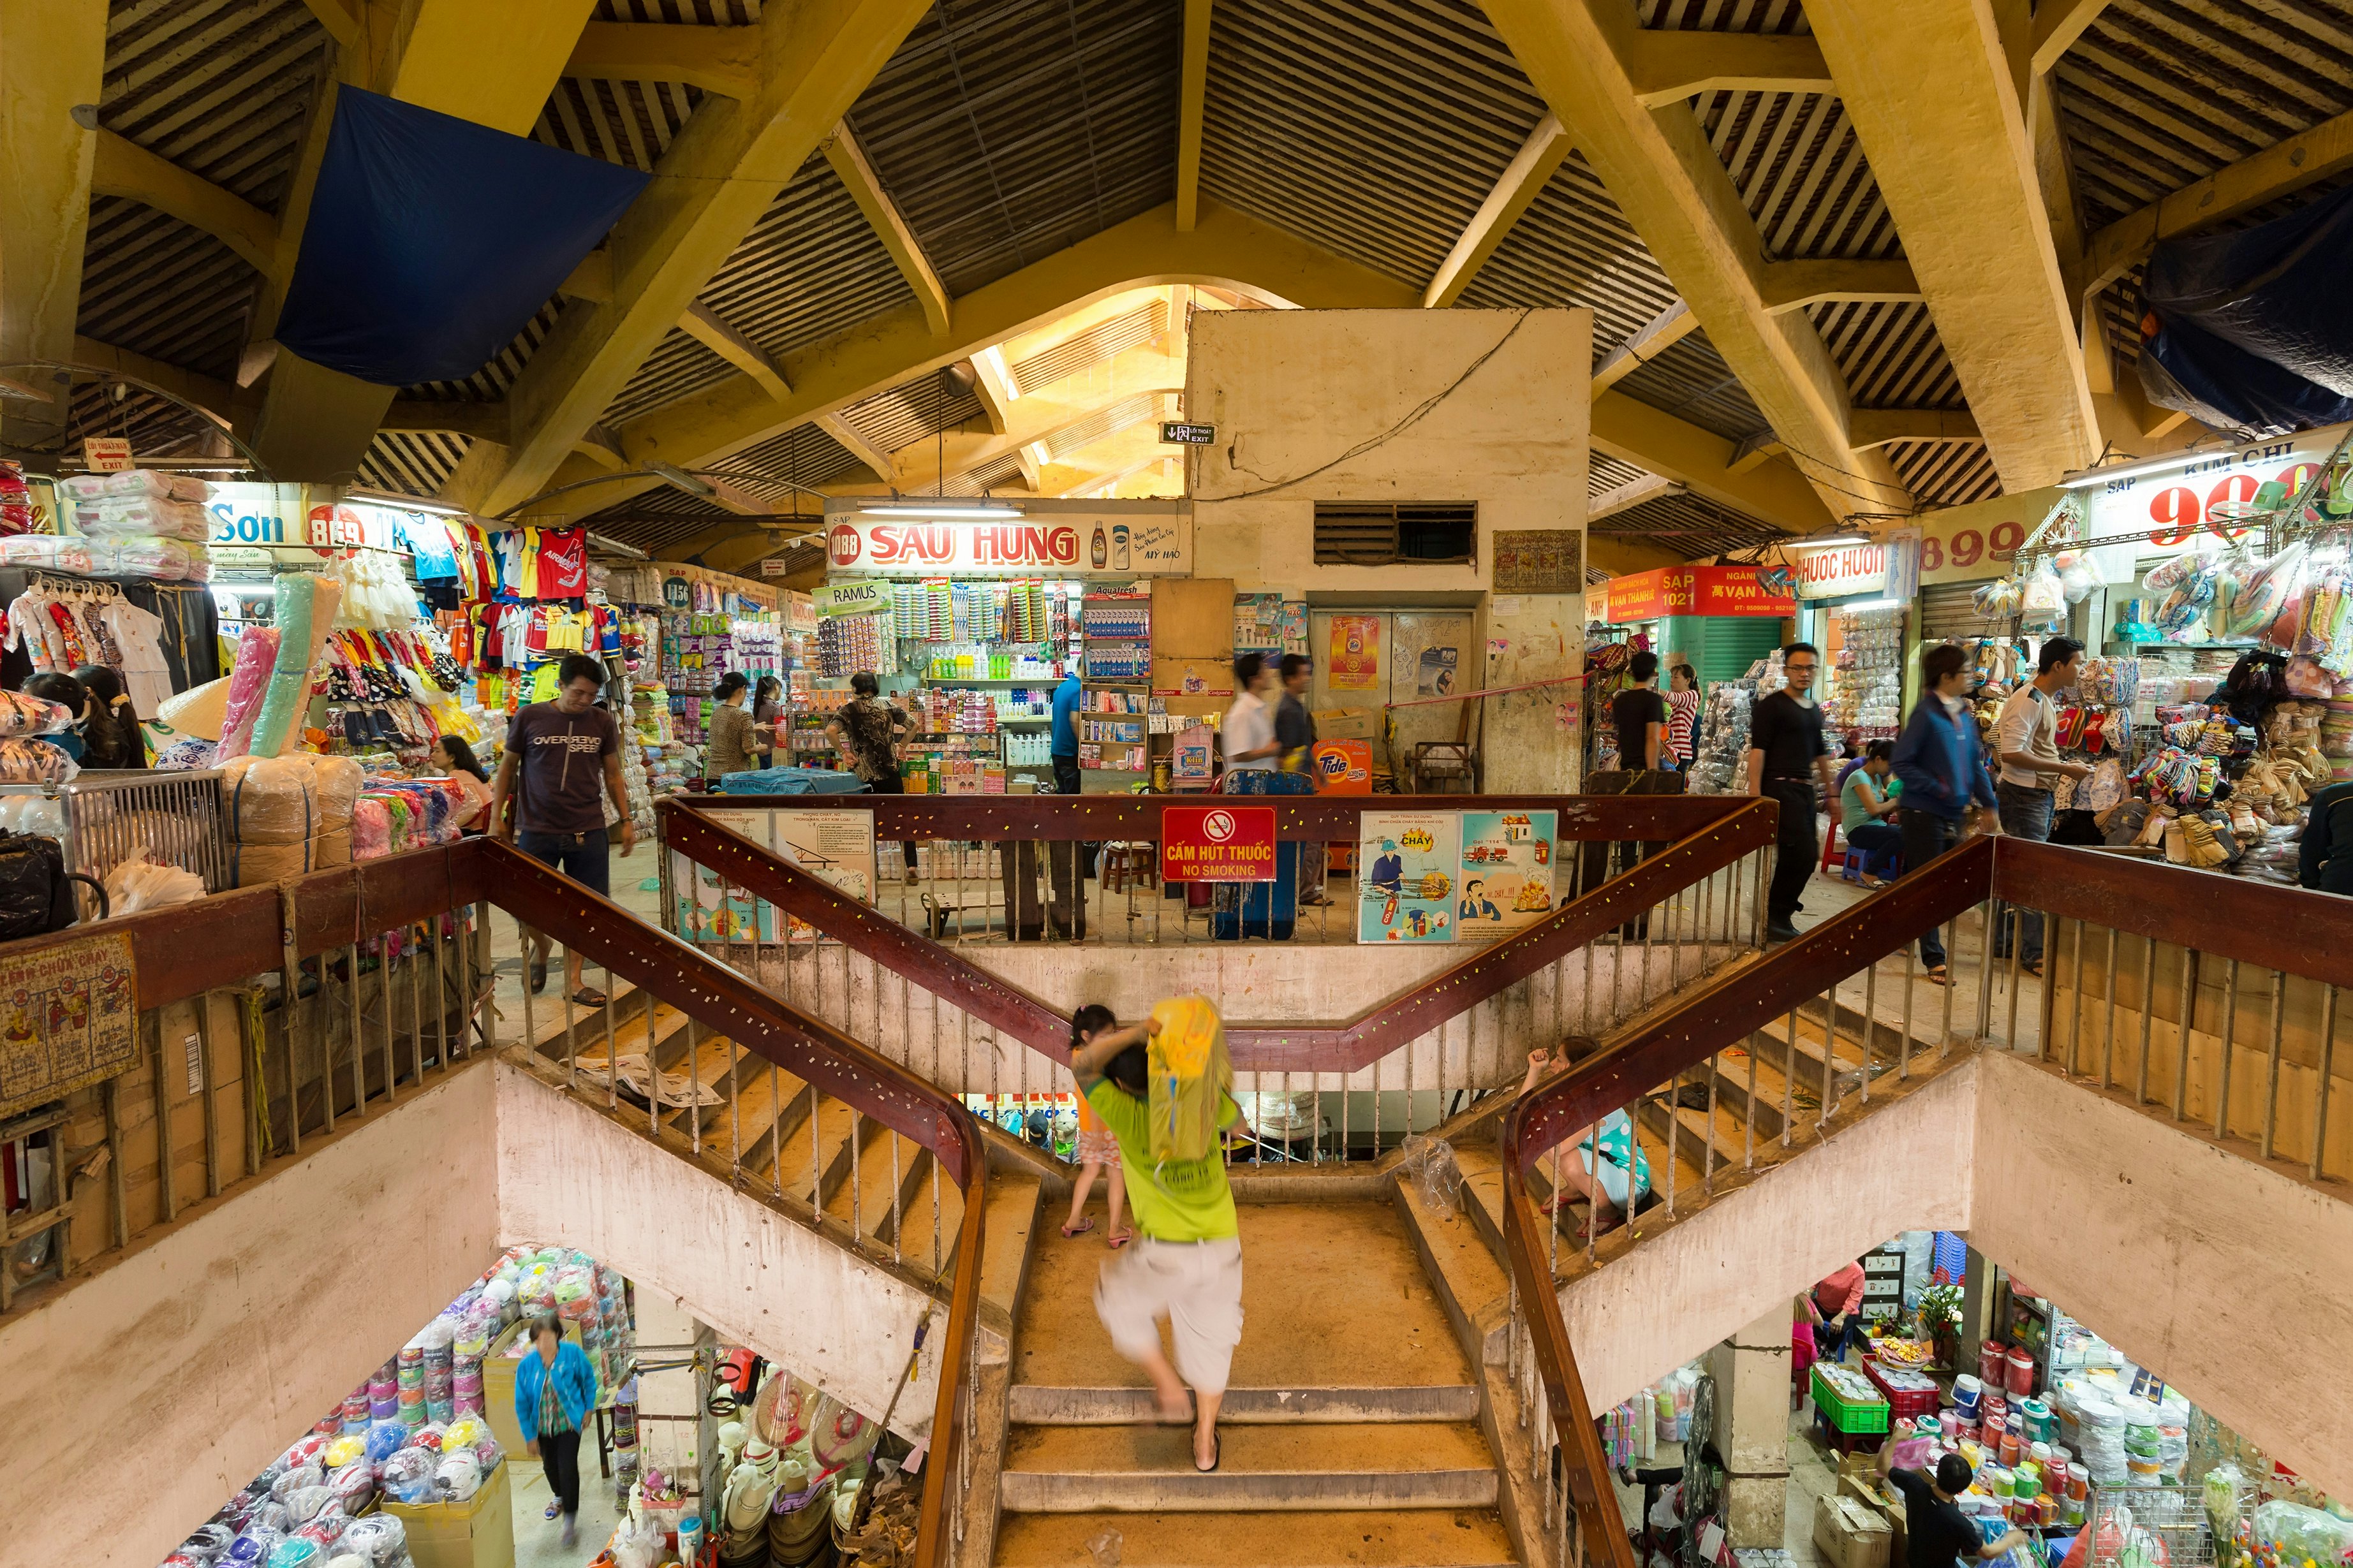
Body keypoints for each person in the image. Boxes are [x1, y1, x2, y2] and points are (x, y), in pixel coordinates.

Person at [1073, 1006, 1245, 1474]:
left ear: (1124, 1085)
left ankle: (1168, 1385)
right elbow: (1239, 1122)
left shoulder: (1125, 1113)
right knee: (1212, 1348)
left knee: (1114, 1297)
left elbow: (1083, 1065)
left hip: (1164, 1255)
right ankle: (1205, 1444)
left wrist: (1136, 1030)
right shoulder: (1197, 1097)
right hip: (1221, 1250)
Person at [488, 652, 637, 1007]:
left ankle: (574, 980)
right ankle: (542, 945)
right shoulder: (529, 717)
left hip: (588, 829)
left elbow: (613, 774)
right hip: (536, 829)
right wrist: (497, 820)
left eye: (591, 695)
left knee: (587, 908)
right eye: (578, 693)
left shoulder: (601, 723)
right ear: (560, 685)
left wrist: (627, 820)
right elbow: (508, 769)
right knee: (525, 905)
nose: (584, 701)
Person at [1892, 643, 2000, 983]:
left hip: (1953, 813)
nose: (1972, 676)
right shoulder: (1926, 714)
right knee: (1931, 886)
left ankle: (1895, 928)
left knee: (1936, 884)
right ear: (1946, 676)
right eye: (1966, 671)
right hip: (1923, 812)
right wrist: (1938, 787)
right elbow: (1901, 763)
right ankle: (1934, 958)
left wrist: (1990, 803)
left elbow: (1974, 762)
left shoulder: (1963, 715)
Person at [1993, 636, 2091, 976]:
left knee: (2017, 873)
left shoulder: (2044, 699)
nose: (2082, 669)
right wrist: (2065, 768)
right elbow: (2010, 752)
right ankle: (2033, 953)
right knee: (2033, 874)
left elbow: (2013, 743)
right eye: (2078, 663)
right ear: (2059, 666)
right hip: (2024, 797)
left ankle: (2005, 943)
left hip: (2034, 795)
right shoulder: (2030, 700)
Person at [1746, 644, 1838, 942]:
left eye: (1810, 668)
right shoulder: (1771, 707)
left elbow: (1821, 754)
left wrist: (1832, 795)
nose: (1804, 673)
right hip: (1780, 789)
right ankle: (1776, 915)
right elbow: (1758, 752)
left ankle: (1777, 915)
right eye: (1797, 668)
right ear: (1786, 671)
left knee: (1803, 855)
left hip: (1804, 792)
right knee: (1800, 854)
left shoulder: (1813, 711)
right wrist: (1756, 797)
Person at [1520, 1037, 1651, 1240]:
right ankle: (1577, 1188)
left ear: (1570, 1067)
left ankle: (1608, 1211)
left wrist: (1532, 1130)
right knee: (1548, 1142)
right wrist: (1535, 1070)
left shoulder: (1597, 1104)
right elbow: (1524, 1113)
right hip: (1607, 1167)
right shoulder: (1575, 1092)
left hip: (1631, 1182)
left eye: (1558, 1058)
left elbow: (1554, 1147)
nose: (1552, 1063)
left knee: (1566, 1157)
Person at [514, 1312, 597, 1548]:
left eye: (549, 1337)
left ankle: (570, 1518)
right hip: (542, 1428)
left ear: (558, 1336)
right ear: (534, 1341)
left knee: (567, 1467)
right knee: (549, 1466)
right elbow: (521, 1403)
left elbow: (588, 1380)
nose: (544, 1343)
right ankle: (559, 1496)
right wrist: (530, 1436)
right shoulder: (526, 1366)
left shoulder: (572, 1355)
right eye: (539, 1339)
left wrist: (589, 1408)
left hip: (569, 1424)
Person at [826, 672, 920, 882]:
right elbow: (914, 725)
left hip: (864, 775)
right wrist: (902, 746)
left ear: (856, 689)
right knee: (901, 817)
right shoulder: (888, 705)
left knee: (865, 822)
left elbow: (830, 731)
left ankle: (868, 871)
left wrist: (844, 752)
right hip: (890, 772)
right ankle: (912, 866)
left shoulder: (849, 710)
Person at [1882, 1440, 2029, 1568]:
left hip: (1915, 1561)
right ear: (1962, 1490)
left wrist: (1897, 1437)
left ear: (1937, 1472)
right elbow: (1988, 1552)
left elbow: (1882, 1466)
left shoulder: (1914, 1485)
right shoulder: (1958, 1522)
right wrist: (2011, 1539)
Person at [1060, 1005, 1131, 1249]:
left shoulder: (1078, 1055)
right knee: (1115, 1174)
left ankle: (1073, 1221)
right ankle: (1115, 1229)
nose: (1110, 1040)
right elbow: (1097, 1099)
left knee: (1088, 1173)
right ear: (1087, 1036)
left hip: (1088, 1129)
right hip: (1108, 1127)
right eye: (1106, 1035)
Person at [1272, 654, 1329, 903]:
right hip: (1296, 786)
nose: (1307, 678)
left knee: (1312, 839)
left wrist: (1317, 769)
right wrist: (1296, 785)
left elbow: (1303, 747)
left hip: (1304, 781)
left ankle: (1305, 890)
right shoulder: (1287, 710)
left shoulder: (1296, 706)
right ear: (1290, 678)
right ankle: (1304, 892)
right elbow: (1285, 753)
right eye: (1303, 674)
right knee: (1310, 840)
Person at [1838, 741, 1904, 888]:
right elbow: (1874, 809)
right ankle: (1868, 873)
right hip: (1858, 830)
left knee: (1910, 833)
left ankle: (1901, 877)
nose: (1890, 770)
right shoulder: (1859, 777)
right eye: (1890, 765)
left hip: (1874, 826)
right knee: (1903, 835)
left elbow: (1880, 807)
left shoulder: (1877, 778)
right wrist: (1896, 801)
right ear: (1878, 759)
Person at [1221, 653, 1280, 773]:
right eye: (1264, 671)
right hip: (1247, 788)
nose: (1269, 675)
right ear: (1254, 680)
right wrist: (1269, 751)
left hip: (1263, 783)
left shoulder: (1260, 708)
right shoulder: (1242, 711)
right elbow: (1238, 755)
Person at [1611, 650, 1669, 772]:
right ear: (1653, 673)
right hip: (1644, 769)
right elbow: (1652, 738)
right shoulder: (1653, 700)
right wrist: (1652, 771)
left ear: (1632, 673)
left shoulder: (1619, 701)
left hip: (1625, 767)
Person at [2298, 780, 2353, 895]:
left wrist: (2311, 888)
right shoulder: (2334, 796)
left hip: (2340, 889)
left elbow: (2312, 851)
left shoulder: (2334, 795)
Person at [1807, 1258, 1867, 1363]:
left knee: (1839, 1328)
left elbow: (1855, 1298)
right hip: (1823, 1304)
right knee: (1804, 1315)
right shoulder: (1825, 1264)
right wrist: (1805, 1297)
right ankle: (1824, 1341)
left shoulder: (1858, 1272)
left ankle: (1831, 1349)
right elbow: (1813, 1284)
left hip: (1846, 1310)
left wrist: (1841, 1316)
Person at [705, 671, 759, 782]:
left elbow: (729, 733)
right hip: (734, 779)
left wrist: (753, 728)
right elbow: (748, 749)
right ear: (742, 689)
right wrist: (762, 747)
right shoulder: (743, 716)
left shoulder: (716, 713)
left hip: (712, 776)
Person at [435, 735, 493, 834]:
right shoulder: (465, 773)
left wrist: (447, 829)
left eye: (437, 751)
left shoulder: (457, 775)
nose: (432, 755)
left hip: (475, 831)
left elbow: (474, 807)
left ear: (452, 757)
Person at [1049, 670, 1082, 795]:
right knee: (1073, 800)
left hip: (1057, 750)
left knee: (1063, 797)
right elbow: (1075, 720)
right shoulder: (1078, 689)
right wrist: (1082, 746)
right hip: (1070, 752)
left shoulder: (1062, 687)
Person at [1665, 663, 1701, 768]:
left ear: (1688, 681)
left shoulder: (1691, 695)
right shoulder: (1672, 703)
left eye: (1676, 677)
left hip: (1681, 752)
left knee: (1676, 784)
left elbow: (1672, 697)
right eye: (1671, 677)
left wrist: (1653, 689)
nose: (1672, 680)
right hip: (1670, 751)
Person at [752, 674, 785, 770]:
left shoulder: (760, 704)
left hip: (762, 751)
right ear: (776, 686)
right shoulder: (774, 707)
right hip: (772, 751)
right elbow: (781, 733)